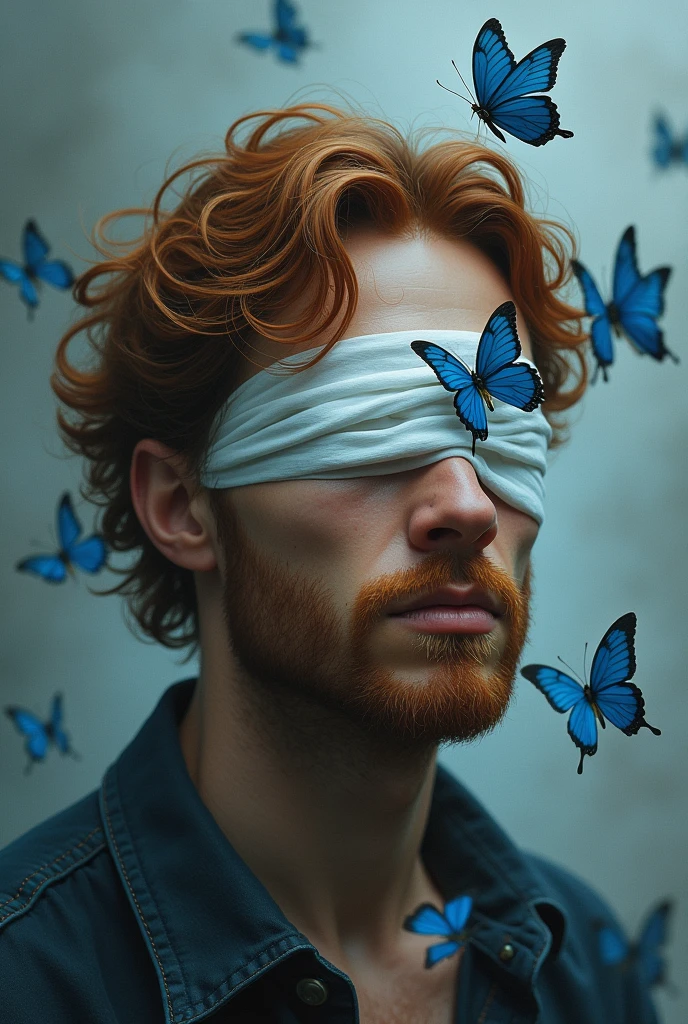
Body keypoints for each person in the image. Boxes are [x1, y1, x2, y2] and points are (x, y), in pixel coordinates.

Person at [0, 104, 659, 1023]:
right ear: (183, 508)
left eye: (503, 441)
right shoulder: (29, 982)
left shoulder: (585, 970)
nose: (467, 508)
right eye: (367, 427)